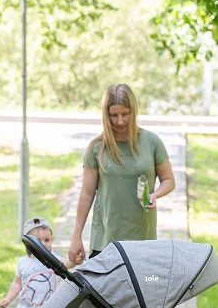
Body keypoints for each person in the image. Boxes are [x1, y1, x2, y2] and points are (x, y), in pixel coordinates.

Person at [68, 84, 176, 265]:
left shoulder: (151, 142)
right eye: (113, 115)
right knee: (105, 293)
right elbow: (86, 195)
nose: (119, 121)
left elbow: (169, 180)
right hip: (105, 239)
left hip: (143, 239)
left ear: (133, 111)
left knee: (143, 290)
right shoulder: (97, 147)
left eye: (125, 114)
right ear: (106, 114)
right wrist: (76, 237)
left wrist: (156, 194)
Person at [0, 217, 68, 308]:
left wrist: (74, 260)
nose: (44, 244)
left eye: (47, 240)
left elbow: (65, 263)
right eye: (39, 241)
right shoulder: (23, 263)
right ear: (28, 244)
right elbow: (17, 283)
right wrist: (8, 298)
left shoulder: (53, 259)